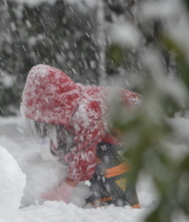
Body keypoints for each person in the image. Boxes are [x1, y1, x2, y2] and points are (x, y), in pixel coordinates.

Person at [20, 64, 141, 208]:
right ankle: (105, 191)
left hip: (141, 122)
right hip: (117, 126)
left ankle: (121, 195)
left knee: (99, 154)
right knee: (94, 151)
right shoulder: (72, 103)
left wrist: (64, 190)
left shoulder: (85, 113)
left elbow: (84, 158)